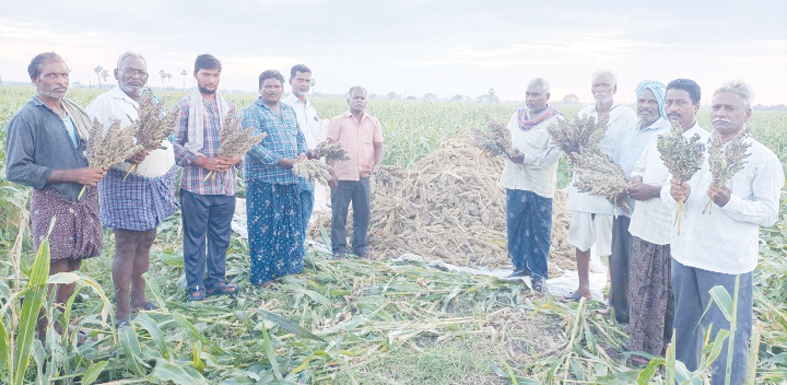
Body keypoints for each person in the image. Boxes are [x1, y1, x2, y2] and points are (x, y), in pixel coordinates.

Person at [664, 81, 783, 384]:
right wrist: (674, 192)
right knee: (685, 331)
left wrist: (730, 202)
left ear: (748, 113)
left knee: (728, 339)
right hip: (685, 254)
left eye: (730, 107)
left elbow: (769, 213)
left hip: (725, 263)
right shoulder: (694, 148)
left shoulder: (762, 158)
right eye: (717, 106)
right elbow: (669, 190)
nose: (721, 113)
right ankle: (682, 380)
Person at [5, 52, 106, 336]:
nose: (60, 81)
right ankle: (45, 337)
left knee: (73, 265)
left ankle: (62, 327)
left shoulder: (72, 112)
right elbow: (15, 169)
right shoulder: (27, 117)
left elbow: (86, 151)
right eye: (51, 75)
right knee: (54, 269)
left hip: (81, 201)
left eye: (64, 74)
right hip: (53, 204)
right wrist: (74, 174)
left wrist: (97, 167)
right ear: (35, 80)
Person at [86, 51, 178, 325]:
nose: (136, 77)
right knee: (126, 245)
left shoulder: (152, 102)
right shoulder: (104, 103)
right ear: (116, 73)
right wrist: (124, 155)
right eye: (130, 71)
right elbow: (91, 145)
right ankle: (123, 310)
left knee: (146, 240)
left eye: (142, 73)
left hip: (155, 182)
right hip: (125, 182)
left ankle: (140, 298)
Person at [625, 79, 708, 360]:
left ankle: (663, 353)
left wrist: (652, 191)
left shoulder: (703, 144)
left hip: (672, 232)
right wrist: (636, 179)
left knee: (665, 295)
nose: (673, 108)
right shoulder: (659, 137)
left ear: (696, 105)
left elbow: (692, 192)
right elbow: (640, 166)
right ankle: (639, 346)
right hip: (643, 225)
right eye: (669, 102)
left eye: (680, 102)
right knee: (640, 288)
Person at [171, 54, 241, 301]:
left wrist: (234, 158)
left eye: (215, 75)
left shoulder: (229, 108)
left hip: (225, 186)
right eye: (206, 74)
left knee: (221, 238)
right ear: (195, 75)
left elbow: (240, 145)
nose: (211, 80)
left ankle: (216, 281)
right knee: (195, 237)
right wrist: (202, 161)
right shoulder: (184, 107)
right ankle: (195, 285)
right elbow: (172, 145)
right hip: (196, 186)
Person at [564, 71, 637, 301]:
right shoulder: (585, 113)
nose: (600, 89)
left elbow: (631, 148)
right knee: (580, 236)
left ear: (615, 89)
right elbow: (574, 143)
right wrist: (573, 155)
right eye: (596, 85)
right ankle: (583, 287)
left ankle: (614, 291)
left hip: (610, 186)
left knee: (611, 243)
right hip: (584, 185)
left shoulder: (625, 115)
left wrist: (621, 182)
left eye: (605, 85)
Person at [608, 80, 671, 323]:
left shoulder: (666, 134)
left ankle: (638, 318)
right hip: (622, 208)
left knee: (641, 268)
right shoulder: (630, 131)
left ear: (662, 104)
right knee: (619, 261)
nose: (645, 106)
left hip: (648, 215)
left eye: (652, 101)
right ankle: (619, 310)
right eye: (642, 100)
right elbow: (616, 164)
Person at [242, 69, 307, 287]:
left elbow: (299, 137)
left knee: (288, 227)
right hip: (263, 181)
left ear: (283, 88)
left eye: (276, 86)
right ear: (260, 89)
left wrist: (302, 154)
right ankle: (262, 277)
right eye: (268, 86)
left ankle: (284, 270)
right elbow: (252, 146)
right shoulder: (253, 111)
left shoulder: (288, 111)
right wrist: (282, 161)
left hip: (289, 179)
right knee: (262, 228)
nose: (272, 90)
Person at [501, 78, 564, 293]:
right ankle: (519, 268)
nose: (530, 98)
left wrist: (524, 157)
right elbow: (506, 141)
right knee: (515, 226)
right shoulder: (516, 117)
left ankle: (538, 275)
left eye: (535, 94)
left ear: (547, 97)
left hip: (539, 184)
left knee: (539, 229)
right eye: (528, 94)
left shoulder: (556, 122)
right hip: (515, 180)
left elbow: (551, 155)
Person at [327, 86, 384, 259]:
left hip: (363, 175)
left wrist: (378, 165)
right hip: (342, 176)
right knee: (339, 215)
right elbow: (329, 148)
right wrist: (330, 172)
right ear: (348, 100)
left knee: (363, 213)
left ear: (366, 101)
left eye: (362, 98)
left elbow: (379, 145)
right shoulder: (338, 121)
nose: (359, 101)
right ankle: (338, 250)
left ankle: (360, 247)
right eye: (355, 98)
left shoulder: (373, 122)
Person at [281, 64, 321, 247]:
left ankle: (299, 246)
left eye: (308, 80)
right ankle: (288, 248)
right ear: (290, 81)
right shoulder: (284, 106)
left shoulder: (311, 108)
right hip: (292, 167)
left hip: (310, 167)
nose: (305, 84)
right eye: (300, 80)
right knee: (291, 210)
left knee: (307, 206)